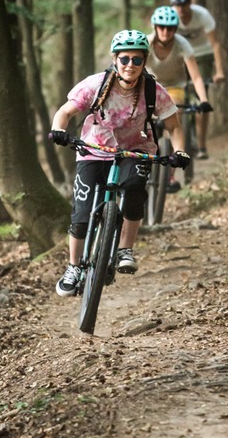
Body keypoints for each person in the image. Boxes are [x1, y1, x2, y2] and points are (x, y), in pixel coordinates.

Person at [48, 29, 190, 297]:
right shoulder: (96, 84)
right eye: (125, 59)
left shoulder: (153, 90)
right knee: (81, 214)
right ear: (115, 60)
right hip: (93, 150)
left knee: (135, 188)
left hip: (135, 151)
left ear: (144, 62)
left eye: (137, 60)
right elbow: (65, 112)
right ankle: (73, 267)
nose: (130, 66)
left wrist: (180, 151)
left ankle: (125, 249)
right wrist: (58, 130)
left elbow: (174, 125)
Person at [146, 6, 212, 190]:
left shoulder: (182, 44)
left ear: (176, 28)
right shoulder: (147, 43)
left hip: (175, 88)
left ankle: (170, 176)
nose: (166, 31)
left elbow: (196, 76)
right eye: (161, 27)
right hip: (151, 86)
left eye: (170, 28)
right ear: (155, 27)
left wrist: (204, 100)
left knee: (174, 113)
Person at [168, 0, 225, 159]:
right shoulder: (170, 16)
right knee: (176, 97)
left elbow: (215, 44)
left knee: (201, 100)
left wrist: (219, 71)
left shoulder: (202, 15)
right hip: (180, 57)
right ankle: (176, 143)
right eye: (177, 5)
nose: (181, 9)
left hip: (202, 56)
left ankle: (201, 146)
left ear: (190, 3)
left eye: (184, 5)